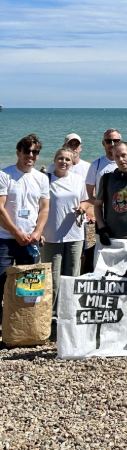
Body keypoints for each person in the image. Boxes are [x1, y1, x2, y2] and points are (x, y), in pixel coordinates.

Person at [0, 135, 50, 319]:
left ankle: (23, 324)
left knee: (28, 287)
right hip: (5, 239)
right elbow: (0, 208)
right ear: (18, 152)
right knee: (2, 283)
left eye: (35, 152)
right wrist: (16, 232)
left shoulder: (42, 179)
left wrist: (37, 232)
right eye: (27, 151)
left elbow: (44, 208)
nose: (31, 155)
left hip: (30, 240)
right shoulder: (4, 175)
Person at [41, 148, 88, 309]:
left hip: (75, 234)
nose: (64, 162)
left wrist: (82, 207)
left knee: (72, 275)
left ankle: (68, 311)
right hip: (51, 235)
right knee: (53, 277)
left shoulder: (78, 179)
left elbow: (85, 201)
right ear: (54, 160)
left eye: (67, 159)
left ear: (73, 161)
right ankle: (51, 313)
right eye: (60, 158)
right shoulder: (45, 179)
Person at [85, 129, 127, 204]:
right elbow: (89, 195)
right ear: (103, 143)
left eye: (116, 141)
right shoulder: (95, 165)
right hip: (105, 212)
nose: (112, 144)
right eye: (108, 141)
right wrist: (105, 206)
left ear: (121, 142)